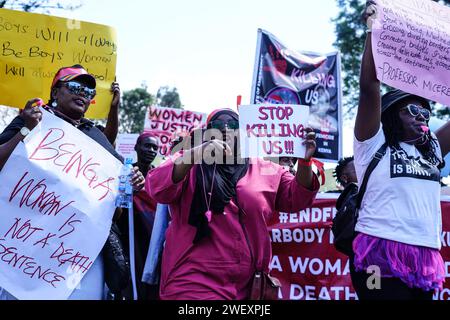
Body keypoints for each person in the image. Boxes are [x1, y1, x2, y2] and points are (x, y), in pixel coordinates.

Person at [0, 64, 146, 300]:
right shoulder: (34, 120)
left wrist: (130, 184)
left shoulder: (96, 137)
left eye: (89, 92)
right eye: (76, 86)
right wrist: (25, 130)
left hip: (76, 259)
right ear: (55, 92)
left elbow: (116, 205)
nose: (83, 94)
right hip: (23, 250)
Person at [145, 108, 320, 300]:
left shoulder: (266, 168)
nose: (227, 130)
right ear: (207, 133)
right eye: (219, 126)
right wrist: (197, 153)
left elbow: (297, 197)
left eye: (234, 125)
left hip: (246, 286)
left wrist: (305, 162)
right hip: (192, 280)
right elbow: (156, 185)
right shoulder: (190, 163)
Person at [351, 2, 450, 300]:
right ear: (392, 115)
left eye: (426, 110)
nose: (422, 114)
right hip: (377, 255)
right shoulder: (373, 142)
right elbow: (369, 86)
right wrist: (373, 30)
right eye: (412, 109)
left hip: (424, 255)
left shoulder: (431, 148)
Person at [117, 132, 160, 300]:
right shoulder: (125, 172)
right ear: (136, 147)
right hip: (130, 237)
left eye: (154, 147)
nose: (150, 150)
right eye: (147, 145)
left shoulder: (158, 176)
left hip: (151, 238)